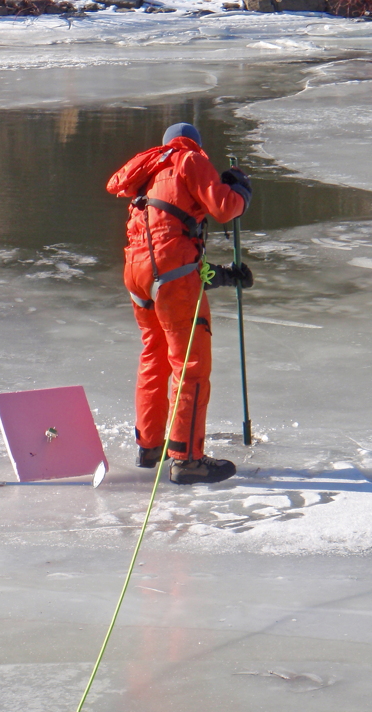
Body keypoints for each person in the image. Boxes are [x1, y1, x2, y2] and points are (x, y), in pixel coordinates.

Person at [106, 122, 253, 485]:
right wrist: (240, 190)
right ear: (195, 143)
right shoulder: (190, 160)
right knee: (191, 365)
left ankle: (150, 446)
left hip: (138, 274)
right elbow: (224, 208)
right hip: (169, 275)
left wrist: (222, 275)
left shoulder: (148, 172)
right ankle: (187, 459)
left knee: (154, 356)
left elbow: (167, 236)